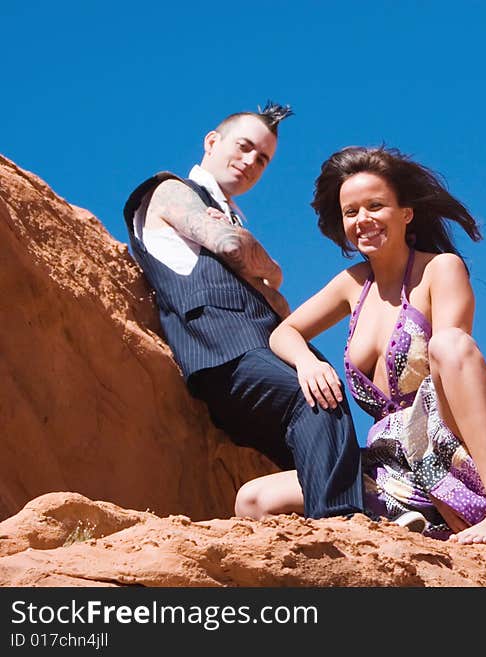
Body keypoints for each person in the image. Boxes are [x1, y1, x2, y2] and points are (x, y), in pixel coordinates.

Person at [241, 145, 486, 548]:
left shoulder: (440, 268)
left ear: (406, 213)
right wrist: (306, 363)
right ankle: (398, 531)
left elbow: (455, 361)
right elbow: (284, 332)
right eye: (350, 212)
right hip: (392, 463)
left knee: (450, 344)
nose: (362, 220)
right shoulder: (352, 284)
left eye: (375, 206)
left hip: (452, 444)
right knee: (254, 499)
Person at [121, 102, 364, 521]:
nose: (251, 161)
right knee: (315, 399)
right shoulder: (170, 189)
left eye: (263, 158)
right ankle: (343, 529)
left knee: (331, 409)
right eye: (244, 146)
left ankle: (352, 525)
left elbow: (280, 305)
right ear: (212, 142)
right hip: (223, 355)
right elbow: (232, 248)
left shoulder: (231, 214)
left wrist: (252, 259)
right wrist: (272, 269)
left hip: (262, 355)